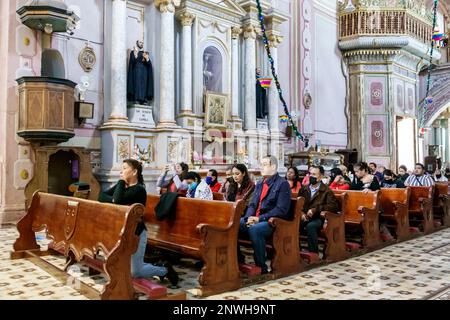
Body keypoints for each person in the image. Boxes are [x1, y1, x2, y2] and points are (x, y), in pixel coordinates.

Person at [98, 159, 178, 286]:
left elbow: (118, 200)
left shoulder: (139, 189)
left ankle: (164, 269)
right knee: (127, 266)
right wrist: (114, 197)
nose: (121, 171)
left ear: (134, 171)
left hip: (137, 233)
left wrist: (120, 183)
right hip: (122, 232)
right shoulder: (123, 188)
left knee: (136, 271)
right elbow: (101, 197)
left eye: (124, 168)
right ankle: (153, 267)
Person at [238, 156, 291, 274]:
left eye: (265, 164)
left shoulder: (282, 184)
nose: (261, 167)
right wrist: (248, 218)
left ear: (273, 166)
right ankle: (238, 260)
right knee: (234, 224)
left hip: (274, 221)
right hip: (257, 219)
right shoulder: (260, 183)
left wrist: (259, 218)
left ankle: (261, 266)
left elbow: (281, 209)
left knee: (255, 230)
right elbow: (252, 204)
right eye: (261, 164)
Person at [299, 166, 339, 254]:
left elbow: (333, 207)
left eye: (314, 174)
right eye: (310, 174)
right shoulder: (304, 189)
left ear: (320, 177)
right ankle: (296, 250)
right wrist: (301, 213)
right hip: (305, 216)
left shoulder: (326, 191)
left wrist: (315, 210)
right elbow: (298, 204)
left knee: (311, 226)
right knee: (294, 223)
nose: (311, 176)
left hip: (319, 218)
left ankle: (313, 253)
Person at [127, 40, 154, 104]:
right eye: (140, 42)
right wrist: (135, 55)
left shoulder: (145, 53)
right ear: (137, 43)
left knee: (144, 85)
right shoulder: (133, 52)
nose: (141, 44)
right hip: (137, 71)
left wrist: (147, 58)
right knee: (137, 84)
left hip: (144, 72)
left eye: (142, 43)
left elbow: (149, 64)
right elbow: (132, 62)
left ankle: (144, 99)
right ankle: (136, 98)